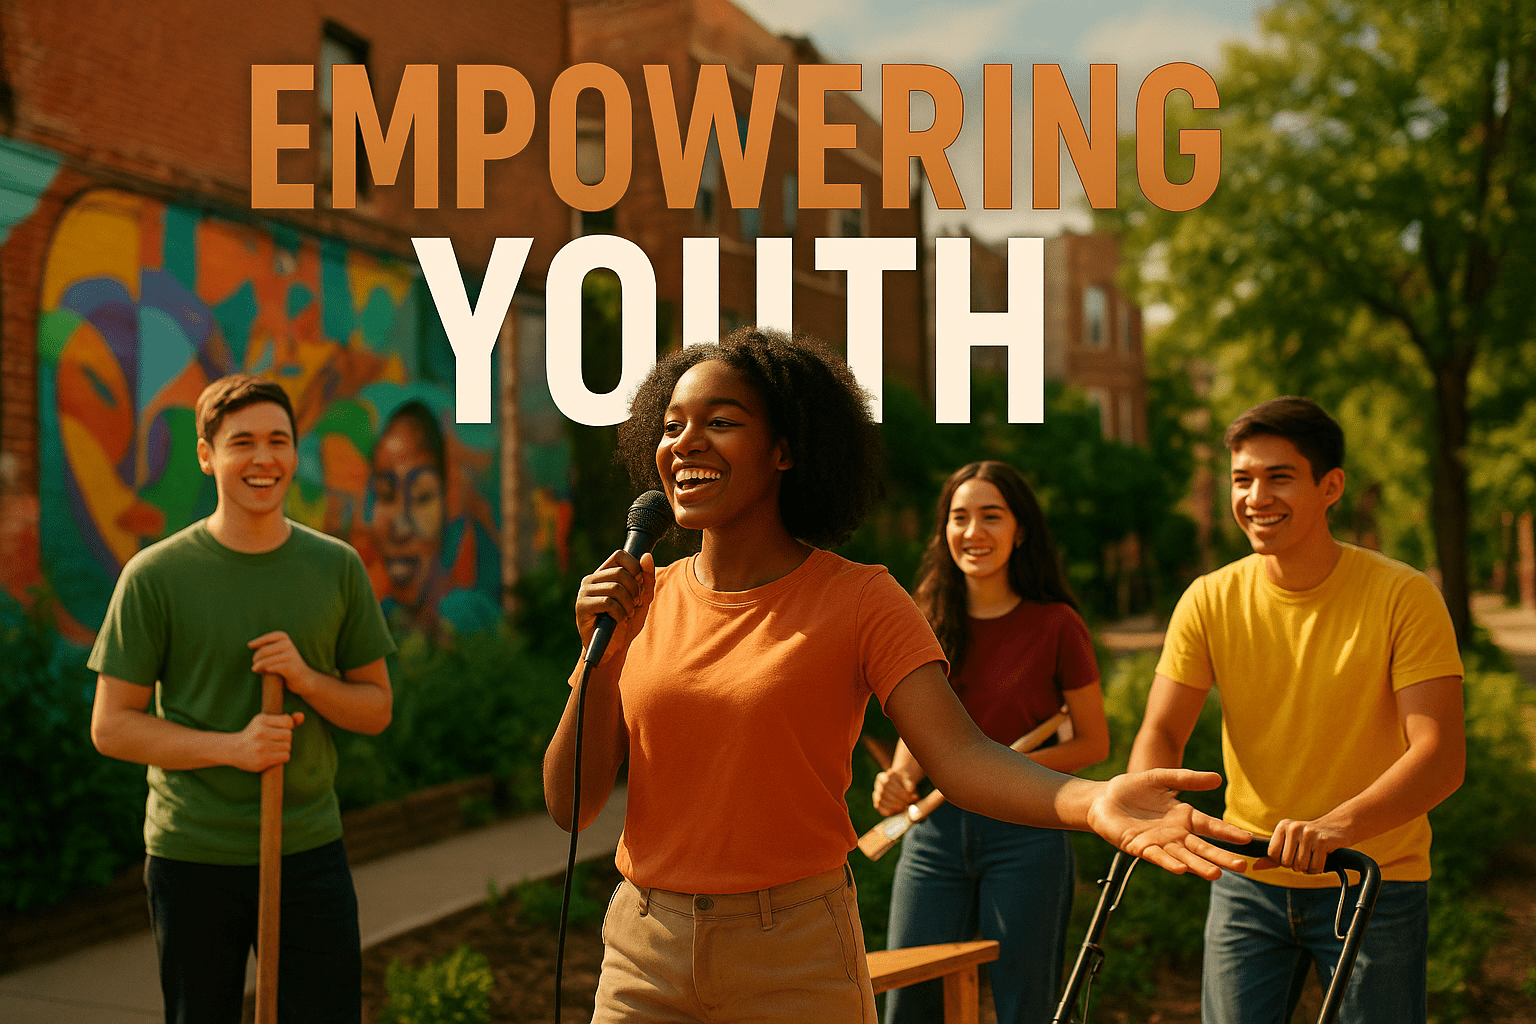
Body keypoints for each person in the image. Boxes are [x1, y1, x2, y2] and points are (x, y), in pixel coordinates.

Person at [542, 327, 1252, 1024]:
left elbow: (961, 755)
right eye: (671, 426)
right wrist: (597, 658)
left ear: (785, 450)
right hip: (644, 952)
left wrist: (1091, 802)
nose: (685, 443)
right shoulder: (641, 604)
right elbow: (570, 806)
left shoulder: (859, 599)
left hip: (792, 955)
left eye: (720, 422)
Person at [1128, 396, 1465, 1024]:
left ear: (1330, 486)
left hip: (1373, 881)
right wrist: (1155, 805)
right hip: (1247, 885)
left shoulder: (1404, 597)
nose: (1256, 496)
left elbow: (1440, 757)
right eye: (1242, 479)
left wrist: (1337, 826)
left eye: (1279, 477)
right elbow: (1163, 729)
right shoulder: (1208, 600)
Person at [89, 374, 396, 1024]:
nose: (264, 459)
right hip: (191, 853)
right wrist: (234, 749)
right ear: (207, 454)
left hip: (309, 850)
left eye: (278, 441)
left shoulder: (336, 567)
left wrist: (308, 679)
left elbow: (375, 708)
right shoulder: (156, 577)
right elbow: (112, 727)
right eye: (242, 442)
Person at [875, 460, 1110, 1024]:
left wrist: (992, 767)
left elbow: (1093, 743)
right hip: (934, 837)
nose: (973, 532)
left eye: (991, 516)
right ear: (945, 531)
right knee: (908, 1001)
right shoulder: (923, 615)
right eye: (960, 518)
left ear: (1019, 530)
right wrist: (904, 775)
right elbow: (923, 724)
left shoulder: (1057, 625)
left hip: (1028, 832)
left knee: (1024, 1006)